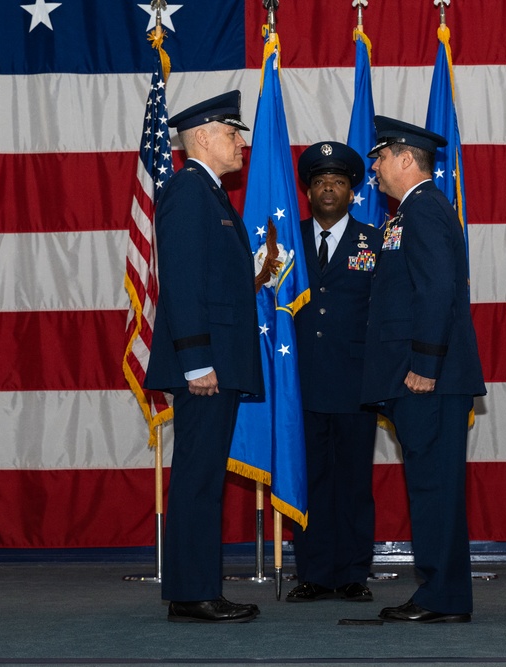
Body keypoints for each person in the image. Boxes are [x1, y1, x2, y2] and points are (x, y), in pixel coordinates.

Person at [360, 116, 486, 624]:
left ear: (406, 159)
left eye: (381, 156)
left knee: (435, 487)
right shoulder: (408, 214)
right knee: (429, 486)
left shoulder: (426, 210)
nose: (373, 166)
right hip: (415, 373)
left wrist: (426, 365)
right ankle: (441, 592)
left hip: (427, 377)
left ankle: (442, 596)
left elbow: (436, 290)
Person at [144, 90, 263, 623]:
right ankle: (192, 594)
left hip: (217, 360)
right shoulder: (190, 192)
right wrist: (196, 360)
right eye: (233, 133)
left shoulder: (208, 194)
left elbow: (212, 278)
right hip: (205, 365)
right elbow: (183, 282)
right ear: (203, 137)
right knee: (197, 477)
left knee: (203, 475)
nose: (241, 142)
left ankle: (197, 588)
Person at [286, 141, 380, 604]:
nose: (329, 188)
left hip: (356, 384)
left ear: (352, 191)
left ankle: (352, 573)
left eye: (338, 182)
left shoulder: (376, 242)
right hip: (299, 384)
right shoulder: (285, 242)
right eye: (320, 181)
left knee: (353, 483)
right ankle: (314, 573)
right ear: (307, 191)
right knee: (309, 481)